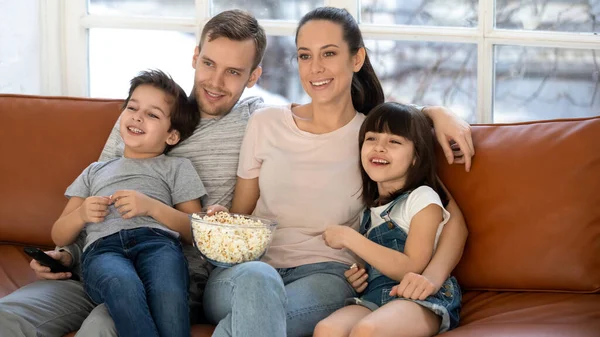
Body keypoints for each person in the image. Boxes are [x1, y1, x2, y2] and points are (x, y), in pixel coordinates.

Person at [0, 9, 471, 337]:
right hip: (100, 262)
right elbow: (94, 188)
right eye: (208, 63)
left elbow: (427, 195)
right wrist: (65, 249)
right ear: (194, 57)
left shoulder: (290, 125)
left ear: (254, 78)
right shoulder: (148, 118)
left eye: (232, 72)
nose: (214, 81)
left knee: (113, 325)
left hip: (198, 278)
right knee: (9, 318)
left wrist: (432, 113)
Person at [202, 7, 469, 337]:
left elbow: (450, 218)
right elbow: (241, 214)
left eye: (329, 53)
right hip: (246, 272)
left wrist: (433, 113)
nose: (315, 68)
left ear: (357, 59)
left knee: (256, 313)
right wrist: (220, 220)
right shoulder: (266, 123)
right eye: (304, 55)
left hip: (328, 276)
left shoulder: (372, 140)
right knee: (259, 280)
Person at [49, 69, 205, 337]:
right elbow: (58, 233)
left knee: (168, 289)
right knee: (123, 284)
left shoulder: (177, 167)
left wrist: (152, 207)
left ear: (172, 136)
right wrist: (81, 214)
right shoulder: (95, 170)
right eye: (132, 107)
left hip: (158, 244)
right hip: (102, 251)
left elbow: (197, 232)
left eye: (153, 114)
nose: (138, 116)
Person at [314, 102, 461, 337]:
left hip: (420, 298)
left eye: (394, 142)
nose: (379, 148)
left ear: (416, 157)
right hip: (376, 296)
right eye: (371, 138)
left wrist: (349, 238)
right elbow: (375, 261)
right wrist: (360, 273)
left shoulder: (422, 198)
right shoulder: (368, 211)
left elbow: (412, 266)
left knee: (367, 330)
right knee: (327, 329)